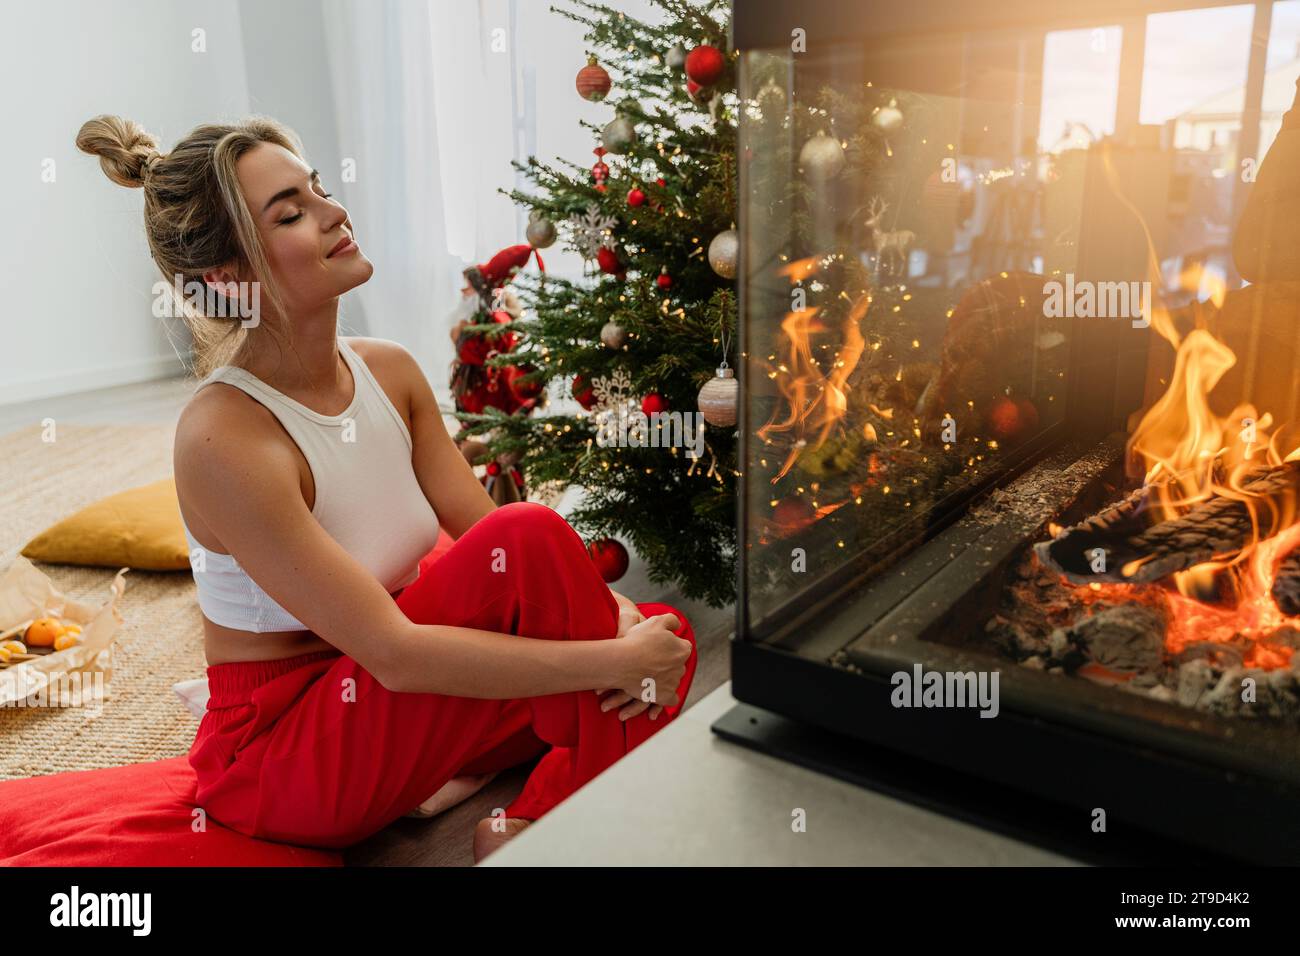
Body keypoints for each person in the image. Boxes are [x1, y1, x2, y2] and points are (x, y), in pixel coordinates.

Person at [75, 114, 696, 862]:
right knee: (607, 632)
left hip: (390, 696)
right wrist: (613, 660)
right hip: (293, 757)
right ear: (233, 279)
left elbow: (496, 539)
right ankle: (569, 804)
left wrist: (616, 622)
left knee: (662, 630)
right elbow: (395, 653)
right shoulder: (225, 437)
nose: (335, 212)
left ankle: (529, 822)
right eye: (291, 212)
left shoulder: (390, 372)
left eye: (320, 191)